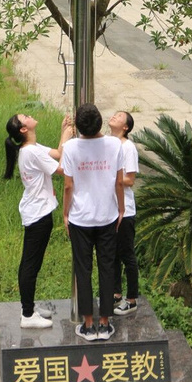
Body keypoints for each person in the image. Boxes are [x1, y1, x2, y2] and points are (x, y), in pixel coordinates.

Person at [61, 102, 124, 342]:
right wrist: (121, 208)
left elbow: (68, 186)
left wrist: (65, 213)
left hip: (80, 218)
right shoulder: (114, 144)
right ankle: (105, 323)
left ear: (78, 126)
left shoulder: (70, 147)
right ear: (100, 122)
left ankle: (88, 324)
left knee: (83, 269)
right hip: (107, 215)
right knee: (107, 267)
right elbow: (119, 182)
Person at [5, 111, 73, 329]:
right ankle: (27, 314)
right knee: (30, 265)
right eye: (25, 117)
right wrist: (69, 140)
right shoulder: (31, 152)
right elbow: (62, 169)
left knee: (31, 264)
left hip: (37, 212)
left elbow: (58, 153)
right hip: (38, 215)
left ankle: (29, 307)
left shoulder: (31, 148)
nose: (29, 115)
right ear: (24, 129)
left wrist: (64, 133)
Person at [108, 110, 139, 315]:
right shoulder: (108, 144)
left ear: (125, 127)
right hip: (109, 209)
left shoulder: (128, 147)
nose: (114, 116)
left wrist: (109, 178)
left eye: (119, 116)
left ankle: (132, 298)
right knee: (112, 254)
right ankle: (116, 293)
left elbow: (130, 179)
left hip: (125, 210)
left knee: (127, 255)